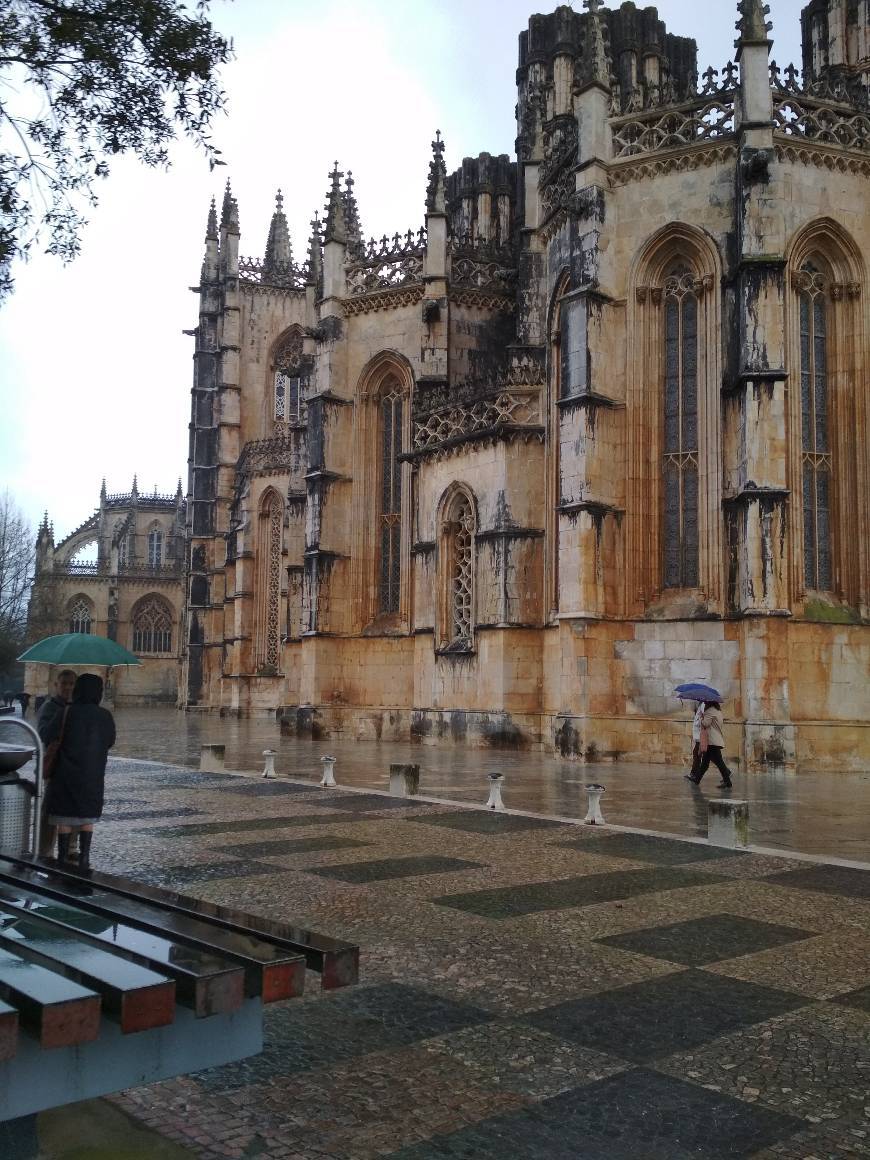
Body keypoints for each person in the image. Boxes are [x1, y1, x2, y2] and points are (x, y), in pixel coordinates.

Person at [41, 673, 115, 867]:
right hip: (92, 775)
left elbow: (48, 735)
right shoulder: (105, 715)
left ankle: (63, 858)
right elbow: (111, 741)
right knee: (86, 817)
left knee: (64, 817)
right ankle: (84, 857)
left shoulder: (66, 712)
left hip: (66, 773)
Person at [36, 670, 77, 857]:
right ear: (56, 685)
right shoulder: (49, 707)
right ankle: (45, 850)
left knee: (75, 807)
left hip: (73, 765)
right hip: (54, 765)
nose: (68, 687)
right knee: (50, 809)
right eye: (64, 683)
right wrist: (63, 713)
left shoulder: (77, 707)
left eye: (71, 684)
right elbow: (44, 734)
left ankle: (70, 847)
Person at [687, 701, 733, 789]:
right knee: (705, 763)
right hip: (713, 740)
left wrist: (701, 717)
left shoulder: (710, 711)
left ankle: (728, 782)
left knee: (719, 763)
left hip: (712, 741)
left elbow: (705, 723)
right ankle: (697, 779)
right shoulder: (717, 711)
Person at [683, 700, 705, 783]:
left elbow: (703, 720)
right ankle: (694, 774)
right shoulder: (700, 705)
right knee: (711, 757)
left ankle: (694, 774)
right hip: (698, 736)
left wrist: (699, 720)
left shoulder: (703, 705)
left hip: (701, 736)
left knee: (696, 753)